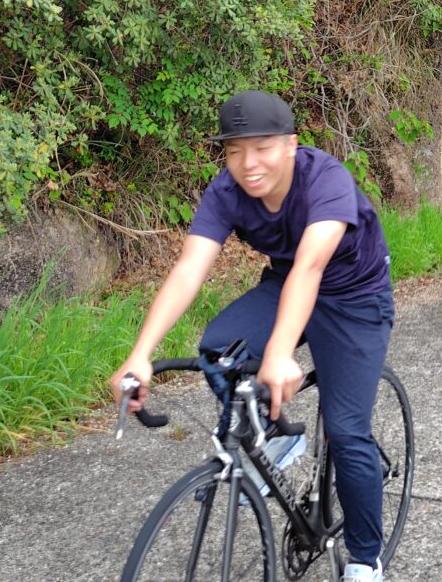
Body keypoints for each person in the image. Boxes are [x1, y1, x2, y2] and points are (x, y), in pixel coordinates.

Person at [110, 90, 394, 582]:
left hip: (354, 294)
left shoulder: (325, 180)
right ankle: (274, 437)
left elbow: (311, 267)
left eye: (262, 148)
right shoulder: (227, 190)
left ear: (290, 144)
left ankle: (366, 560)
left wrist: (280, 353)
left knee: (347, 432)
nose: (248, 164)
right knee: (220, 350)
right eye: (234, 150)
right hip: (286, 283)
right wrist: (140, 354)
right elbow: (189, 269)